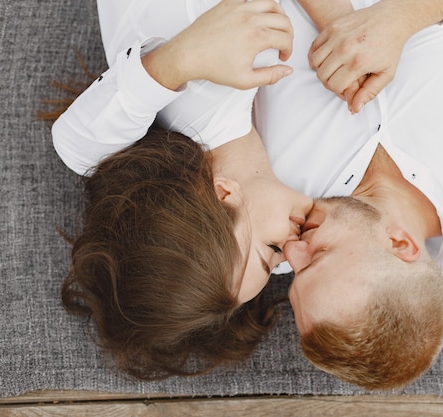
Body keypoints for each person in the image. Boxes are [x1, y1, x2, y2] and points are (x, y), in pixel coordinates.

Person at [253, 0, 443, 389]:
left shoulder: (268, 219)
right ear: (400, 243)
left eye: (293, 274)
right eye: (318, 257)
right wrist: (411, 13)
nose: (293, 251)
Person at [53, 0, 313, 379]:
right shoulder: (272, 147)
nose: (294, 251)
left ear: (224, 194)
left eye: (271, 251)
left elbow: (75, 145)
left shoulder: (206, 80)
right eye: (279, 266)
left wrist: (183, 58)